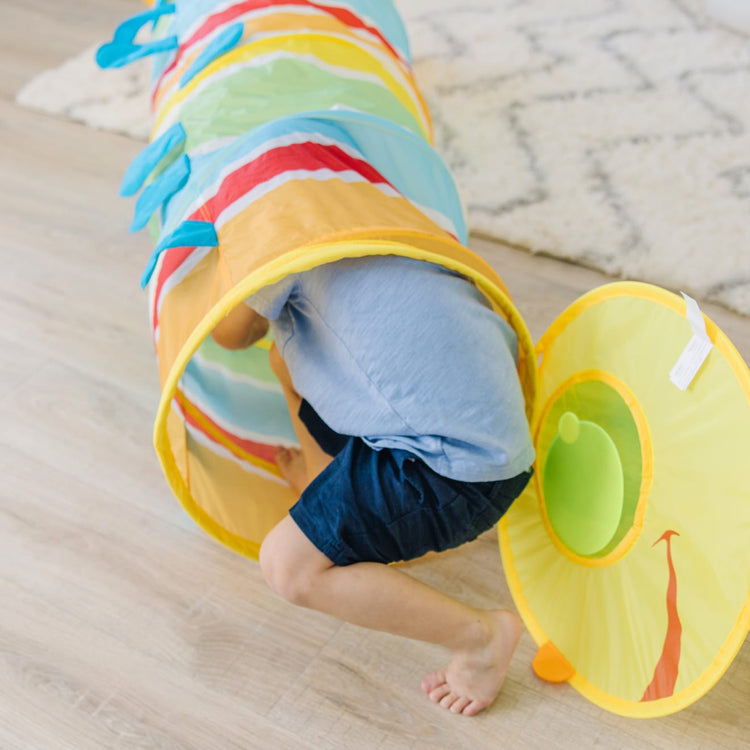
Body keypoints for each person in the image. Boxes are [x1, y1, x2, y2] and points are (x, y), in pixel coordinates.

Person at [211, 254, 534, 716]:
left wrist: (232, 262)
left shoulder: (280, 244)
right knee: (286, 357)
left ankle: (481, 638)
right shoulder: (374, 214)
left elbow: (230, 333)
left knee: (288, 568)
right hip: (494, 432)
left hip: (450, 475)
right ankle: (323, 484)